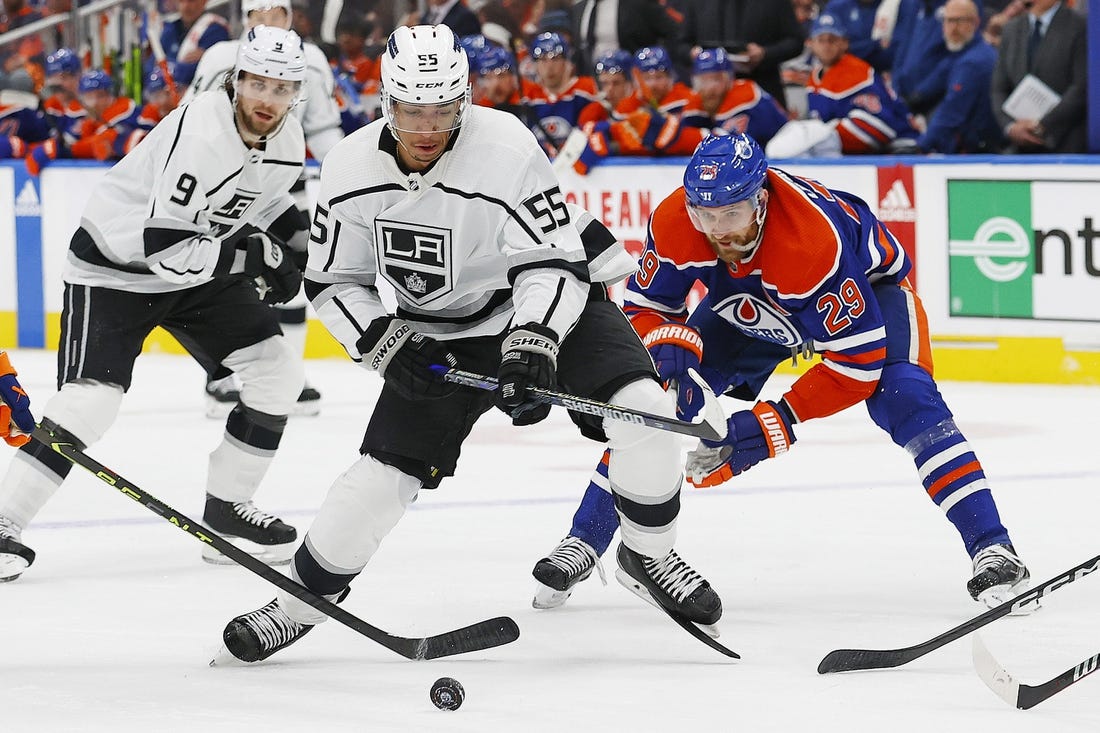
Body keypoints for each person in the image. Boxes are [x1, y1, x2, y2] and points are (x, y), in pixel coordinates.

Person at [216, 24, 724, 665]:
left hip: (536, 305)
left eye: (443, 110)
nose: (427, 127)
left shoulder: (506, 144)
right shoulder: (348, 166)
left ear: (464, 102)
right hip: (433, 334)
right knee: (375, 483)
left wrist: (533, 344)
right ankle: (296, 604)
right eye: (411, 110)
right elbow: (332, 281)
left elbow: (555, 261)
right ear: (385, 104)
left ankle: (647, 555)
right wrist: (388, 346)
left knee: (646, 412)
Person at [530, 132, 1031, 612]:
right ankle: (584, 541)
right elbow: (644, 307)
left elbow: (858, 365)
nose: (720, 229)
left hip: (870, 292)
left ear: (762, 199)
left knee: (905, 397)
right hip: (747, 302)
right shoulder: (678, 222)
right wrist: (668, 350)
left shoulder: (810, 244)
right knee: (650, 402)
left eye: (734, 211)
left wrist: (776, 423)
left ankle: (995, 550)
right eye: (705, 214)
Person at [0, 26, 310, 582]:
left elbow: (266, 202)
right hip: (116, 268)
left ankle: (226, 512)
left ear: (296, 93)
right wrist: (256, 259)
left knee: (276, 372)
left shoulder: (285, 139)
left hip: (198, 262)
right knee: (88, 404)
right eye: (258, 83)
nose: (268, 98)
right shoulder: (205, 132)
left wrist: (304, 252)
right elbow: (166, 249)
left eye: (281, 87)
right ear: (238, 81)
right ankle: (4, 521)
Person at [185, 0, 345, 417]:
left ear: (289, 17)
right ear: (246, 18)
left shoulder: (311, 61)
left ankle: (287, 377)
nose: (266, 21)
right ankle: (220, 377)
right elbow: (190, 119)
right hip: (224, 189)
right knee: (222, 281)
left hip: (283, 188)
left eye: (276, 12)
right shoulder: (222, 57)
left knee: (290, 280)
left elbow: (324, 127)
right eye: (257, 13)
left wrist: (347, 175)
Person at [765, 12, 918, 158]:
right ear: (811, 44)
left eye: (832, 39)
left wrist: (826, 134)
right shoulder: (814, 77)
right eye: (821, 40)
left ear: (844, 43)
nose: (826, 45)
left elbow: (882, 127)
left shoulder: (857, 72)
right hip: (849, 154)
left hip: (900, 147)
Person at [990, 0, 1087, 154]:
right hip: (1019, 148)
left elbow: (1081, 87)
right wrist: (1010, 127)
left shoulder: (1080, 27)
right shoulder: (1011, 29)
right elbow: (998, 89)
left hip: (1065, 146)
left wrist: (1042, 125)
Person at [916, 0, 1002, 154]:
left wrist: (920, 147)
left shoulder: (974, 61)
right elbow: (926, 90)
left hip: (980, 151)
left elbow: (951, 113)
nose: (953, 27)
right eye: (948, 20)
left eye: (959, 20)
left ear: (976, 22)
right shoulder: (959, 55)